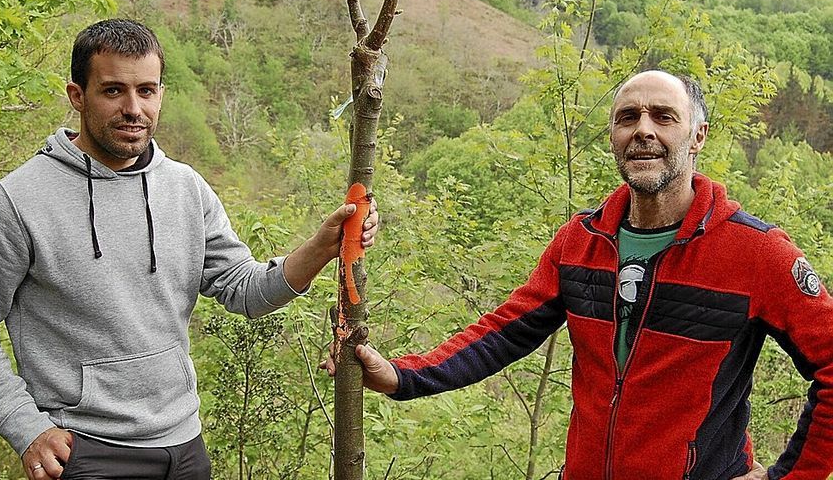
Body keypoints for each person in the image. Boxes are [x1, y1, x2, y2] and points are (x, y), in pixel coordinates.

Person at [323, 70, 833, 479]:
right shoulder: (582, 241)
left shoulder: (754, 252)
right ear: (613, 136)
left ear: (697, 135)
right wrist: (403, 376)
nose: (644, 130)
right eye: (627, 117)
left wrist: (787, 476)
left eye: (663, 116)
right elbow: (505, 331)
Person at [0, 19, 378, 480]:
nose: (134, 108)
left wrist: (321, 247)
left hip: (184, 443)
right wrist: (24, 427)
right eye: (113, 91)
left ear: (161, 94)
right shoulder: (18, 201)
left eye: (147, 91)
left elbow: (246, 291)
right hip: (84, 449)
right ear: (78, 96)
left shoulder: (185, 188)